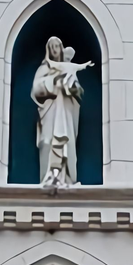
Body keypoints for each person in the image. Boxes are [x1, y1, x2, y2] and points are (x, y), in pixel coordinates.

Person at [31, 36, 86, 187]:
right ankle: (48, 177)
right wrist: (54, 82)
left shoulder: (67, 67)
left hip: (65, 113)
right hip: (50, 112)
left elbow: (79, 91)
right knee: (48, 142)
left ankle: (66, 178)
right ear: (48, 50)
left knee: (65, 143)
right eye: (52, 47)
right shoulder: (44, 69)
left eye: (57, 46)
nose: (55, 50)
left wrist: (72, 88)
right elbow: (35, 89)